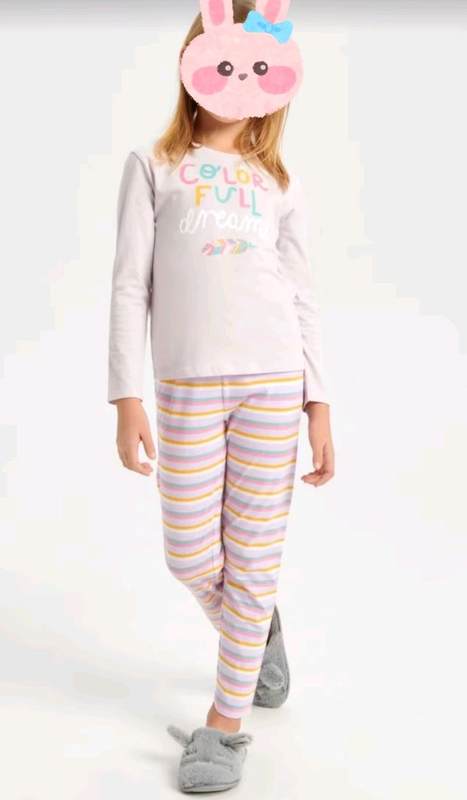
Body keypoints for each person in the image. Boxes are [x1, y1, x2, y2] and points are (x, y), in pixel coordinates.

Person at [107, 0, 335, 791]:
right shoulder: (154, 164)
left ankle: (224, 726)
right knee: (189, 554)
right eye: (225, 64)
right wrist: (125, 395)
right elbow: (129, 282)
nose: (239, 83)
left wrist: (318, 402)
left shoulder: (278, 181)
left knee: (254, 559)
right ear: (194, 67)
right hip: (184, 385)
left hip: (273, 382)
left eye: (256, 70)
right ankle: (254, 628)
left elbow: (300, 294)